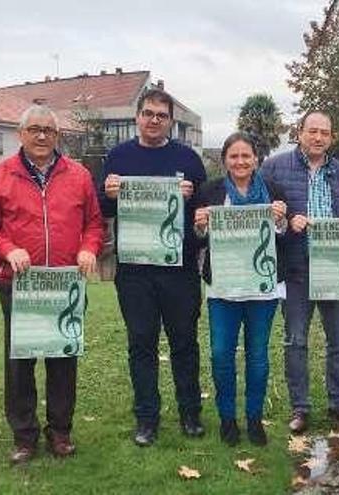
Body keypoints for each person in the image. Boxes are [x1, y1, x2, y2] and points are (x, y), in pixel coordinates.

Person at [0, 104, 103, 464]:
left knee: (63, 359)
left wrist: (89, 249)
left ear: (58, 136)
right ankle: (24, 436)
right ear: (21, 134)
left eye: (48, 130)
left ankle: (60, 431)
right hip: (19, 285)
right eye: (34, 129)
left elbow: (93, 224)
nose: (42, 136)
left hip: (65, 285)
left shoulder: (79, 176)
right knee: (20, 361)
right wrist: (7, 247)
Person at [99, 88, 207, 446]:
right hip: (134, 271)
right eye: (148, 113)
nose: (154, 120)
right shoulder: (117, 157)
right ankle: (146, 419)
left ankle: (190, 414)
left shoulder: (189, 159)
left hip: (179, 270)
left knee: (184, 343)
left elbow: (203, 218)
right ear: (137, 118)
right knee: (141, 344)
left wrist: (192, 201)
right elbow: (101, 209)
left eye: (161, 115)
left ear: (171, 122)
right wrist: (110, 195)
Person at [260, 111, 339, 434]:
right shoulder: (275, 167)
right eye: (312, 131)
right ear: (300, 133)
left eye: (324, 132)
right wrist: (287, 219)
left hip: (337, 269)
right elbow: (260, 212)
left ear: (331, 137)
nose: (318, 137)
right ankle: (300, 407)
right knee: (295, 340)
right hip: (296, 268)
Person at [193, 132, 287, 446]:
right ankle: (228, 418)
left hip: (262, 289)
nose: (240, 161)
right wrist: (201, 224)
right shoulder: (211, 190)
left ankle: (254, 418)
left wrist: (281, 219)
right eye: (234, 156)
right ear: (225, 161)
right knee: (221, 354)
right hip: (223, 288)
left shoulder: (273, 190)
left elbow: (284, 237)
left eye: (246, 155)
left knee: (258, 355)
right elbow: (198, 238)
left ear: (256, 159)